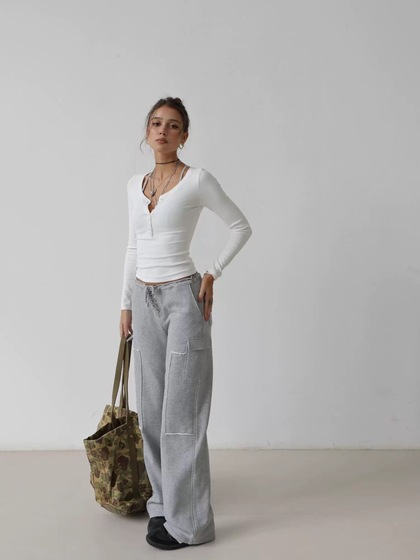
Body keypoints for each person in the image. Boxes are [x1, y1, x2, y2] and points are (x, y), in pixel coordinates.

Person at [119, 96, 252, 551]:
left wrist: (212, 272)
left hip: (183, 298)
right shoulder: (135, 185)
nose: (163, 131)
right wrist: (125, 304)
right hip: (144, 298)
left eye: (173, 125)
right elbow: (133, 247)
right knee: (152, 412)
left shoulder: (197, 180)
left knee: (182, 415)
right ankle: (163, 505)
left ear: (184, 135)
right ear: (147, 131)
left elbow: (240, 226)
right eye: (156, 123)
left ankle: (191, 525)